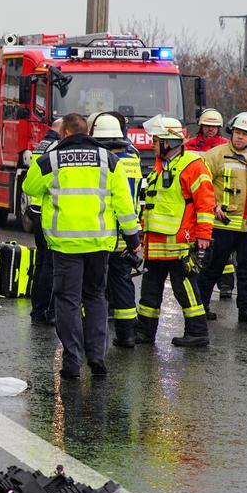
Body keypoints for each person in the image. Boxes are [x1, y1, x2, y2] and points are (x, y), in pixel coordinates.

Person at [22, 113, 139, 378]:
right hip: (99, 243)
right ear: (88, 133)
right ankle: (97, 357)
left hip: (65, 244)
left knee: (68, 301)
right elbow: (124, 204)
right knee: (97, 298)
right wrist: (133, 239)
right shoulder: (109, 160)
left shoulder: (52, 159)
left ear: (64, 133)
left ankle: (72, 361)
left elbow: (30, 186)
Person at [136, 114, 215, 347]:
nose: (152, 144)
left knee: (185, 289)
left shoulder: (193, 166)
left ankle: (198, 332)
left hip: (180, 242)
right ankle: (145, 332)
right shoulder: (160, 167)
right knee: (150, 291)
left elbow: (205, 204)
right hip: (156, 244)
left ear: (169, 142)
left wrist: (203, 236)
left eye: (156, 140)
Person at [195, 112, 247, 323]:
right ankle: (201, 307)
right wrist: (213, 205)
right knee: (212, 268)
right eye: (237, 132)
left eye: (245, 134)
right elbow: (201, 184)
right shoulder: (216, 155)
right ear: (231, 132)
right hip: (222, 226)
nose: (240, 137)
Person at [90, 112, 143, 347]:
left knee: (95, 286)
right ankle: (127, 335)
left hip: (101, 233)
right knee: (123, 283)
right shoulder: (133, 158)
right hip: (127, 233)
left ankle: (92, 335)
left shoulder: (101, 162)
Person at [187, 108, 234, 295]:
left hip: (222, 203)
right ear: (201, 126)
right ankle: (197, 281)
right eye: (207, 126)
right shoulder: (189, 146)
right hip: (195, 202)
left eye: (214, 127)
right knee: (199, 245)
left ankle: (226, 284)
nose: (210, 130)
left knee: (223, 248)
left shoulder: (226, 146)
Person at [27, 117, 63, 326]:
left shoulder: (43, 144)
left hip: (36, 208)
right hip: (47, 209)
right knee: (49, 264)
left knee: (41, 263)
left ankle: (37, 309)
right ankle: (46, 311)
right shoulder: (56, 147)